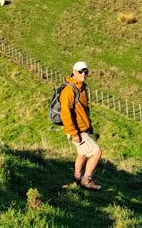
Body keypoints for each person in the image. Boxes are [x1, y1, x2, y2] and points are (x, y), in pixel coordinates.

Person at [60, 61, 102, 190]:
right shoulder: (69, 90)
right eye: (80, 71)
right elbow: (65, 113)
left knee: (82, 154)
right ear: (74, 72)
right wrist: (73, 133)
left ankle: (77, 179)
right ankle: (87, 180)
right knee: (96, 152)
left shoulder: (81, 87)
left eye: (86, 72)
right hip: (77, 130)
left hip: (82, 128)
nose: (83, 74)